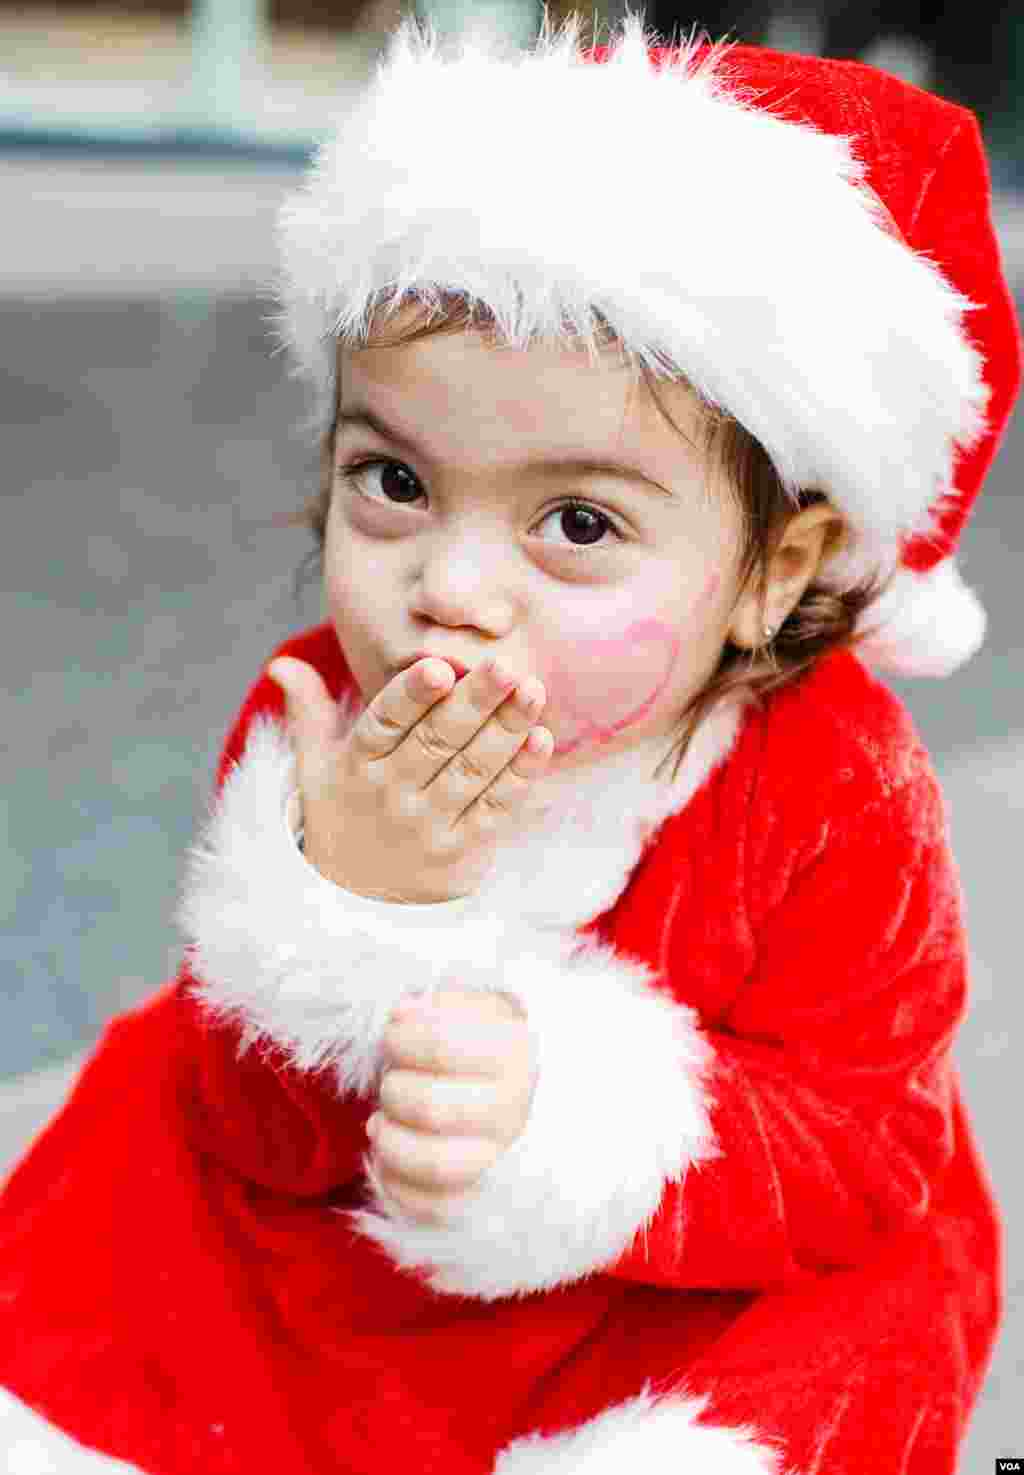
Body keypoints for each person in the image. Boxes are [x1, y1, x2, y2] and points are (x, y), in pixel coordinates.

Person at [1, 10, 1020, 1473]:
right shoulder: (326, 718)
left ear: (777, 573)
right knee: (136, 1231)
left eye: (579, 522)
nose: (451, 586)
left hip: (674, 1269)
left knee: (849, 1325)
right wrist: (341, 914)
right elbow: (248, 1133)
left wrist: (584, 1129)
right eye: (394, 480)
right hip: (352, 1266)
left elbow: (861, 1147)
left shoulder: (838, 786)